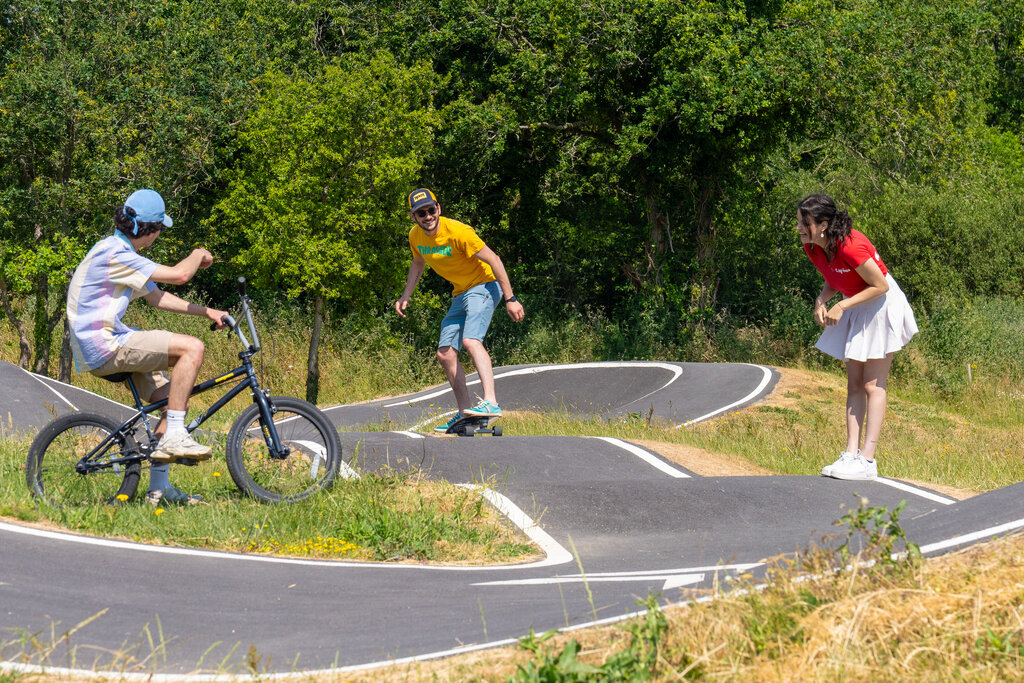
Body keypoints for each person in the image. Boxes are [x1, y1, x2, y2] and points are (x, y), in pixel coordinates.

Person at [66, 189, 229, 505]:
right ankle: (176, 437)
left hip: (103, 346)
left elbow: (157, 298)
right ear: (149, 230)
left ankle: (159, 489)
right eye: (160, 229)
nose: (159, 235)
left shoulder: (117, 252)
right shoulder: (117, 254)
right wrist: (199, 253)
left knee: (172, 403)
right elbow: (181, 275)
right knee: (192, 348)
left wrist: (207, 311)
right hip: (107, 345)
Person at [796, 194, 918, 481]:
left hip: (880, 304)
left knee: (872, 384)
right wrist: (821, 299)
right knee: (853, 383)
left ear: (823, 225)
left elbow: (881, 285)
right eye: (800, 222)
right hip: (856, 302)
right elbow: (834, 277)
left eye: (805, 223)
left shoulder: (851, 246)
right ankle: (850, 454)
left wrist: (842, 305)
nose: (799, 227)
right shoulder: (813, 246)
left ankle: (868, 460)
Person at [394, 188, 525, 432]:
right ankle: (465, 413)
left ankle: (491, 403)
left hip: (484, 285)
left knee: (471, 340)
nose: (428, 216)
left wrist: (511, 298)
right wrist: (405, 296)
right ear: (413, 217)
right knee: (445, 353)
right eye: (421, 213)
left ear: (438, 209)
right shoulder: (416, 237)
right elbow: (418, 263)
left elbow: (494, 259)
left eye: (431, 210)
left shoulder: (459, 232)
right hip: (460, 293)